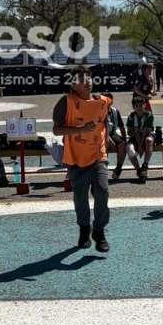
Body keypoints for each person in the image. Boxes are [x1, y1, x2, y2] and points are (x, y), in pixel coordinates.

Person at [53, 68, 113, 251]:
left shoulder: (102, 101)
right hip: (76, 159)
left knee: (102, 190)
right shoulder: (66, 102)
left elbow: (104, 121)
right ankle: (84, 230)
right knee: (80, 197)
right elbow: (57, 130)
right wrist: (80, 130)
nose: (86, 81)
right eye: (81, 79)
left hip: (98, 155)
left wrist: (107, 136)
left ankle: (99, 231)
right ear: (73, 85)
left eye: (88, 77)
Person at [125, 94, 156, 182]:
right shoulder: (131, 116)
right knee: (129, 148)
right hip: (135, 138)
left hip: (146, 136)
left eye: (141, 105)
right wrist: (135, 133)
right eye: (136, 106)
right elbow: (129, 131)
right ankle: (138, 170)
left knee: (148, 140)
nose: (139, 107)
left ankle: (145, 165)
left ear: (145, 105)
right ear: (133, 107)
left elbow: (147, 131)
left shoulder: (149, 115)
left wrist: (140, 146)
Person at [104, 94, 128, 180]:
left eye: (109, 99)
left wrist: (125, 139)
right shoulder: (99, 111)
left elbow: (121, 126)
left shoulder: (115, 111)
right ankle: (103, 169)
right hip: (102, 135)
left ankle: (118, 168)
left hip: (113, 133)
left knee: (123, 144)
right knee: (105, 145)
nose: (108, 101)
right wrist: (108, 138)